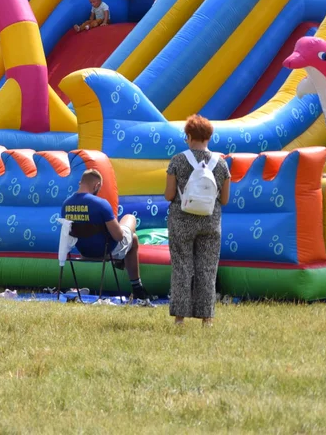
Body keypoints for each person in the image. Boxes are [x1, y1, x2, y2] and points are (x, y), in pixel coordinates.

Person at [164, 114, 231, 327]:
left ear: (189, 135)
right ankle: (206, 319)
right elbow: (225, 199)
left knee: (182, 266)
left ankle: (180, 318)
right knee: (207, 268)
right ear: (209, 137)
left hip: (181, 220)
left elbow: (168, 194)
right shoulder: (221, 164)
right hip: (210, 221)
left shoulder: (177, 160)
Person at [61, 169, 151, 301]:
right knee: (130, 222)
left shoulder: (66, 205)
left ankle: (124, 264)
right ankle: (137, 287)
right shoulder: (101, 204)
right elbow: (119, 237)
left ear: (81, 183)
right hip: (105, 251)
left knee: (129, 237)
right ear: (96, 185)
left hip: (84, 252)